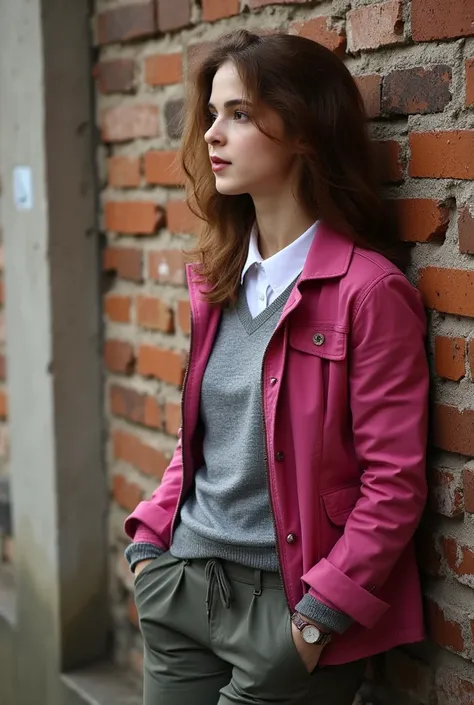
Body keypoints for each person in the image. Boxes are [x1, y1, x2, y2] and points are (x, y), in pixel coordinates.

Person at [124, 29, 429, 705]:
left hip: (287, 611)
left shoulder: (368, 293)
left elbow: (396, 483)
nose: (211, 134)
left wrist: (317, 621)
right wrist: (150, 545)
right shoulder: (217, 279)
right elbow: (201, 431)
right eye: (211, 114)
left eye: (238, 113)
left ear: (306, 132)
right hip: (181, 584)